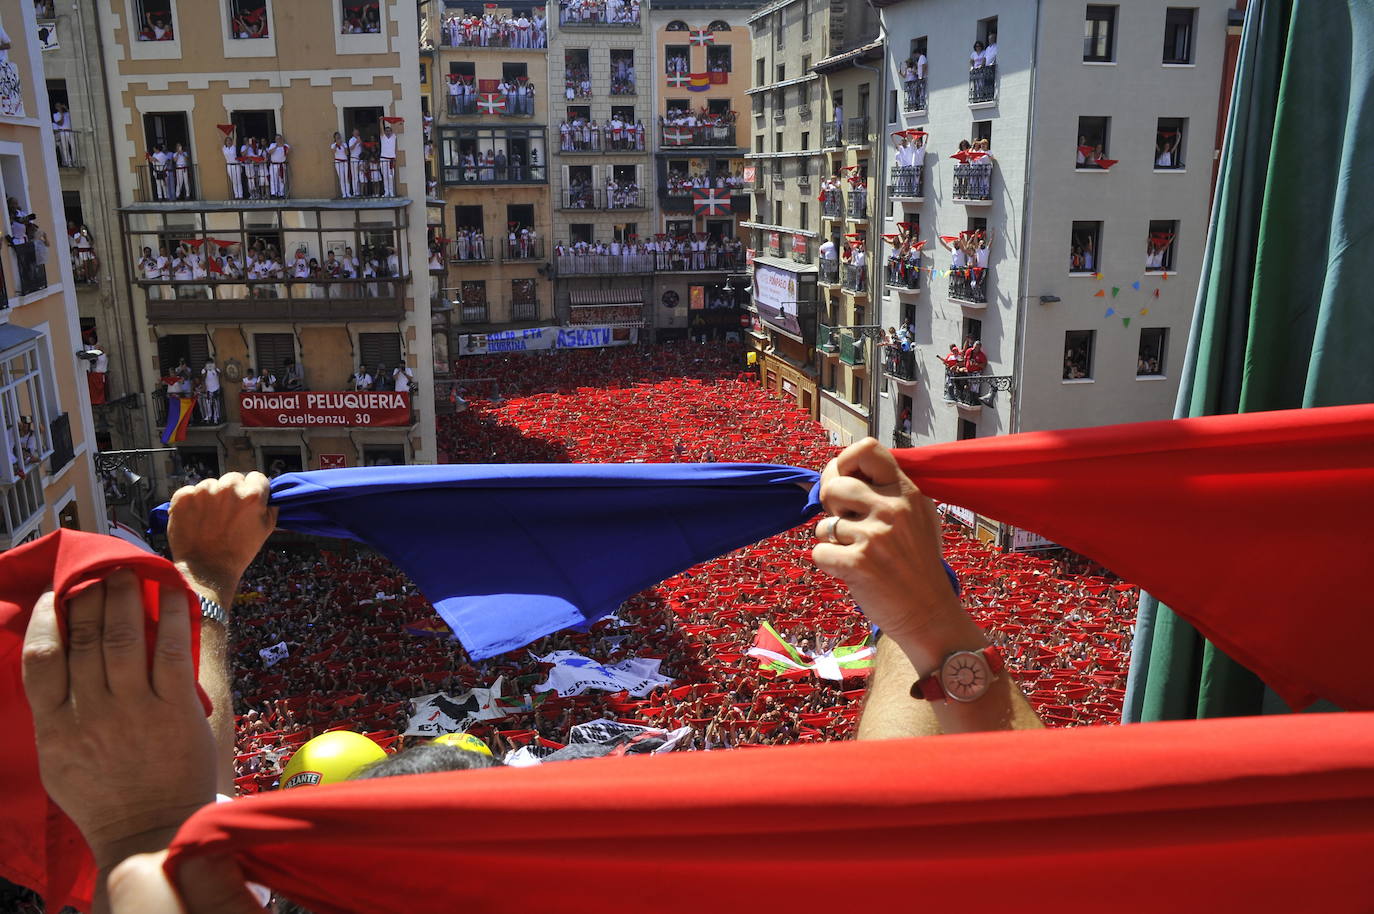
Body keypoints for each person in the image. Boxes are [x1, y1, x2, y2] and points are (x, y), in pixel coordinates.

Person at [379, 124, 397, 196]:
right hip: (383, 159)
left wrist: (399, 122)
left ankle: (391, 192)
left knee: (391, 176)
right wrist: (381, 121)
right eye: (386, 131)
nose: (388, 132)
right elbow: (381, 130)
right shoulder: (383, 137)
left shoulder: (393, 137)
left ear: (391, 132)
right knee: (385, 176)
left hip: (391, 160)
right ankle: (386, 192)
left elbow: (396, 129)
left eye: (389, 131)